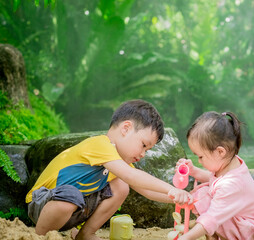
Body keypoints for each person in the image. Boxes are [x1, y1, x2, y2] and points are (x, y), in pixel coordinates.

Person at [25, 99, 193, 240]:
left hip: (72, 208)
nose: (143, 154)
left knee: (121, 185)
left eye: (147, 150)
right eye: (143, 145)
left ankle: (86, 234)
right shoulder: (99, 144)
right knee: (72, 194)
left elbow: (147, 191)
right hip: (43, 203)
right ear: (125, 128)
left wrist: (180, 198)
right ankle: (41, 236)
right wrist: (170, 187)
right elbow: (133, 176)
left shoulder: (117, 164)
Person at [176, 111, 254, 240]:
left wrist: (186, 238)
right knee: (203, 192)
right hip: (239, 219)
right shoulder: (229, 165)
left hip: (247, 230)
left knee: (203, 198)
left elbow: (212, 217)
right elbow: (214, 180)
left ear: (220, 152)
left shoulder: (232, 184)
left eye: (200, 156)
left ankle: (214, 234)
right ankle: (213, 234)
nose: (199, 161)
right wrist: (194, 171)